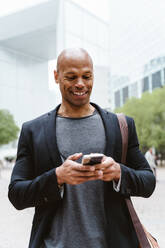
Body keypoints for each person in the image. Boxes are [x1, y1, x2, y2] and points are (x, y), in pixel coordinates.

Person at [8, 48, 156, 248]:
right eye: (71, 77)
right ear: (56, 76)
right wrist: (58, 177)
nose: (80, 84)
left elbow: (148, 182)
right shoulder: (33, 130)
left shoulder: (121, 126)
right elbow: (17, 194)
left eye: (86, 76)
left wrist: (118, 172)